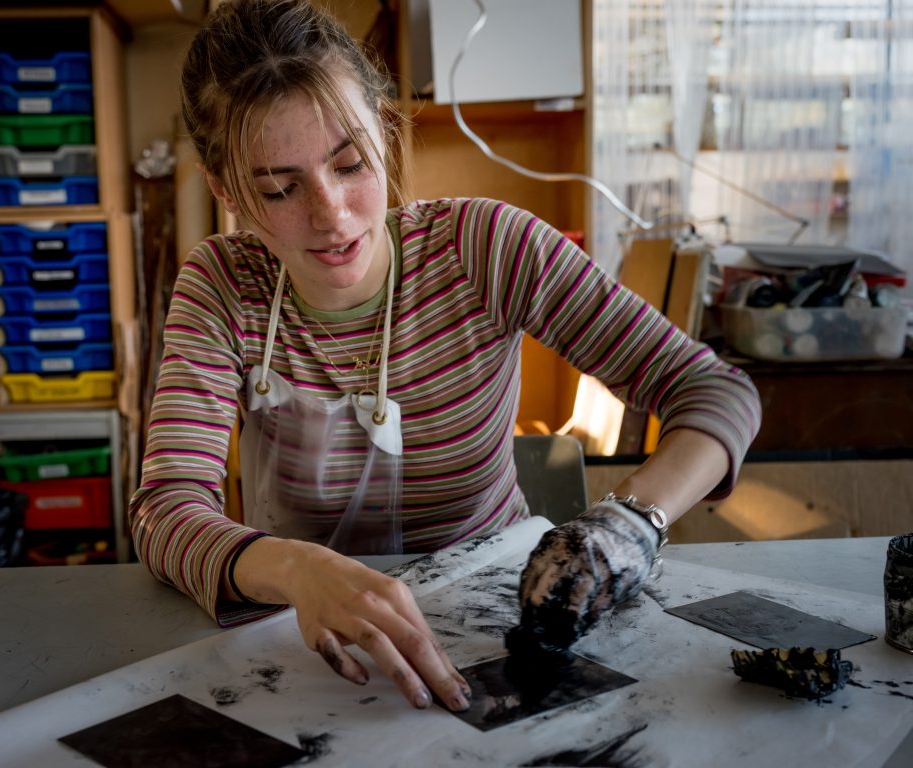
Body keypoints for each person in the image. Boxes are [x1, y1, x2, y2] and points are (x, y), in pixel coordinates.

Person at [130, 0, 761, 715]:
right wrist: (295, 568)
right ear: (225, 190)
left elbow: (714, 392)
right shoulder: (222, 285)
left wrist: (633, 523)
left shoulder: (487, 248)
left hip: (494, 629)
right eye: (280, 188)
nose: (332, 213)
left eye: (351, 163)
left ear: (384, 130)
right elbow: (165, 511)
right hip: (309, 641)